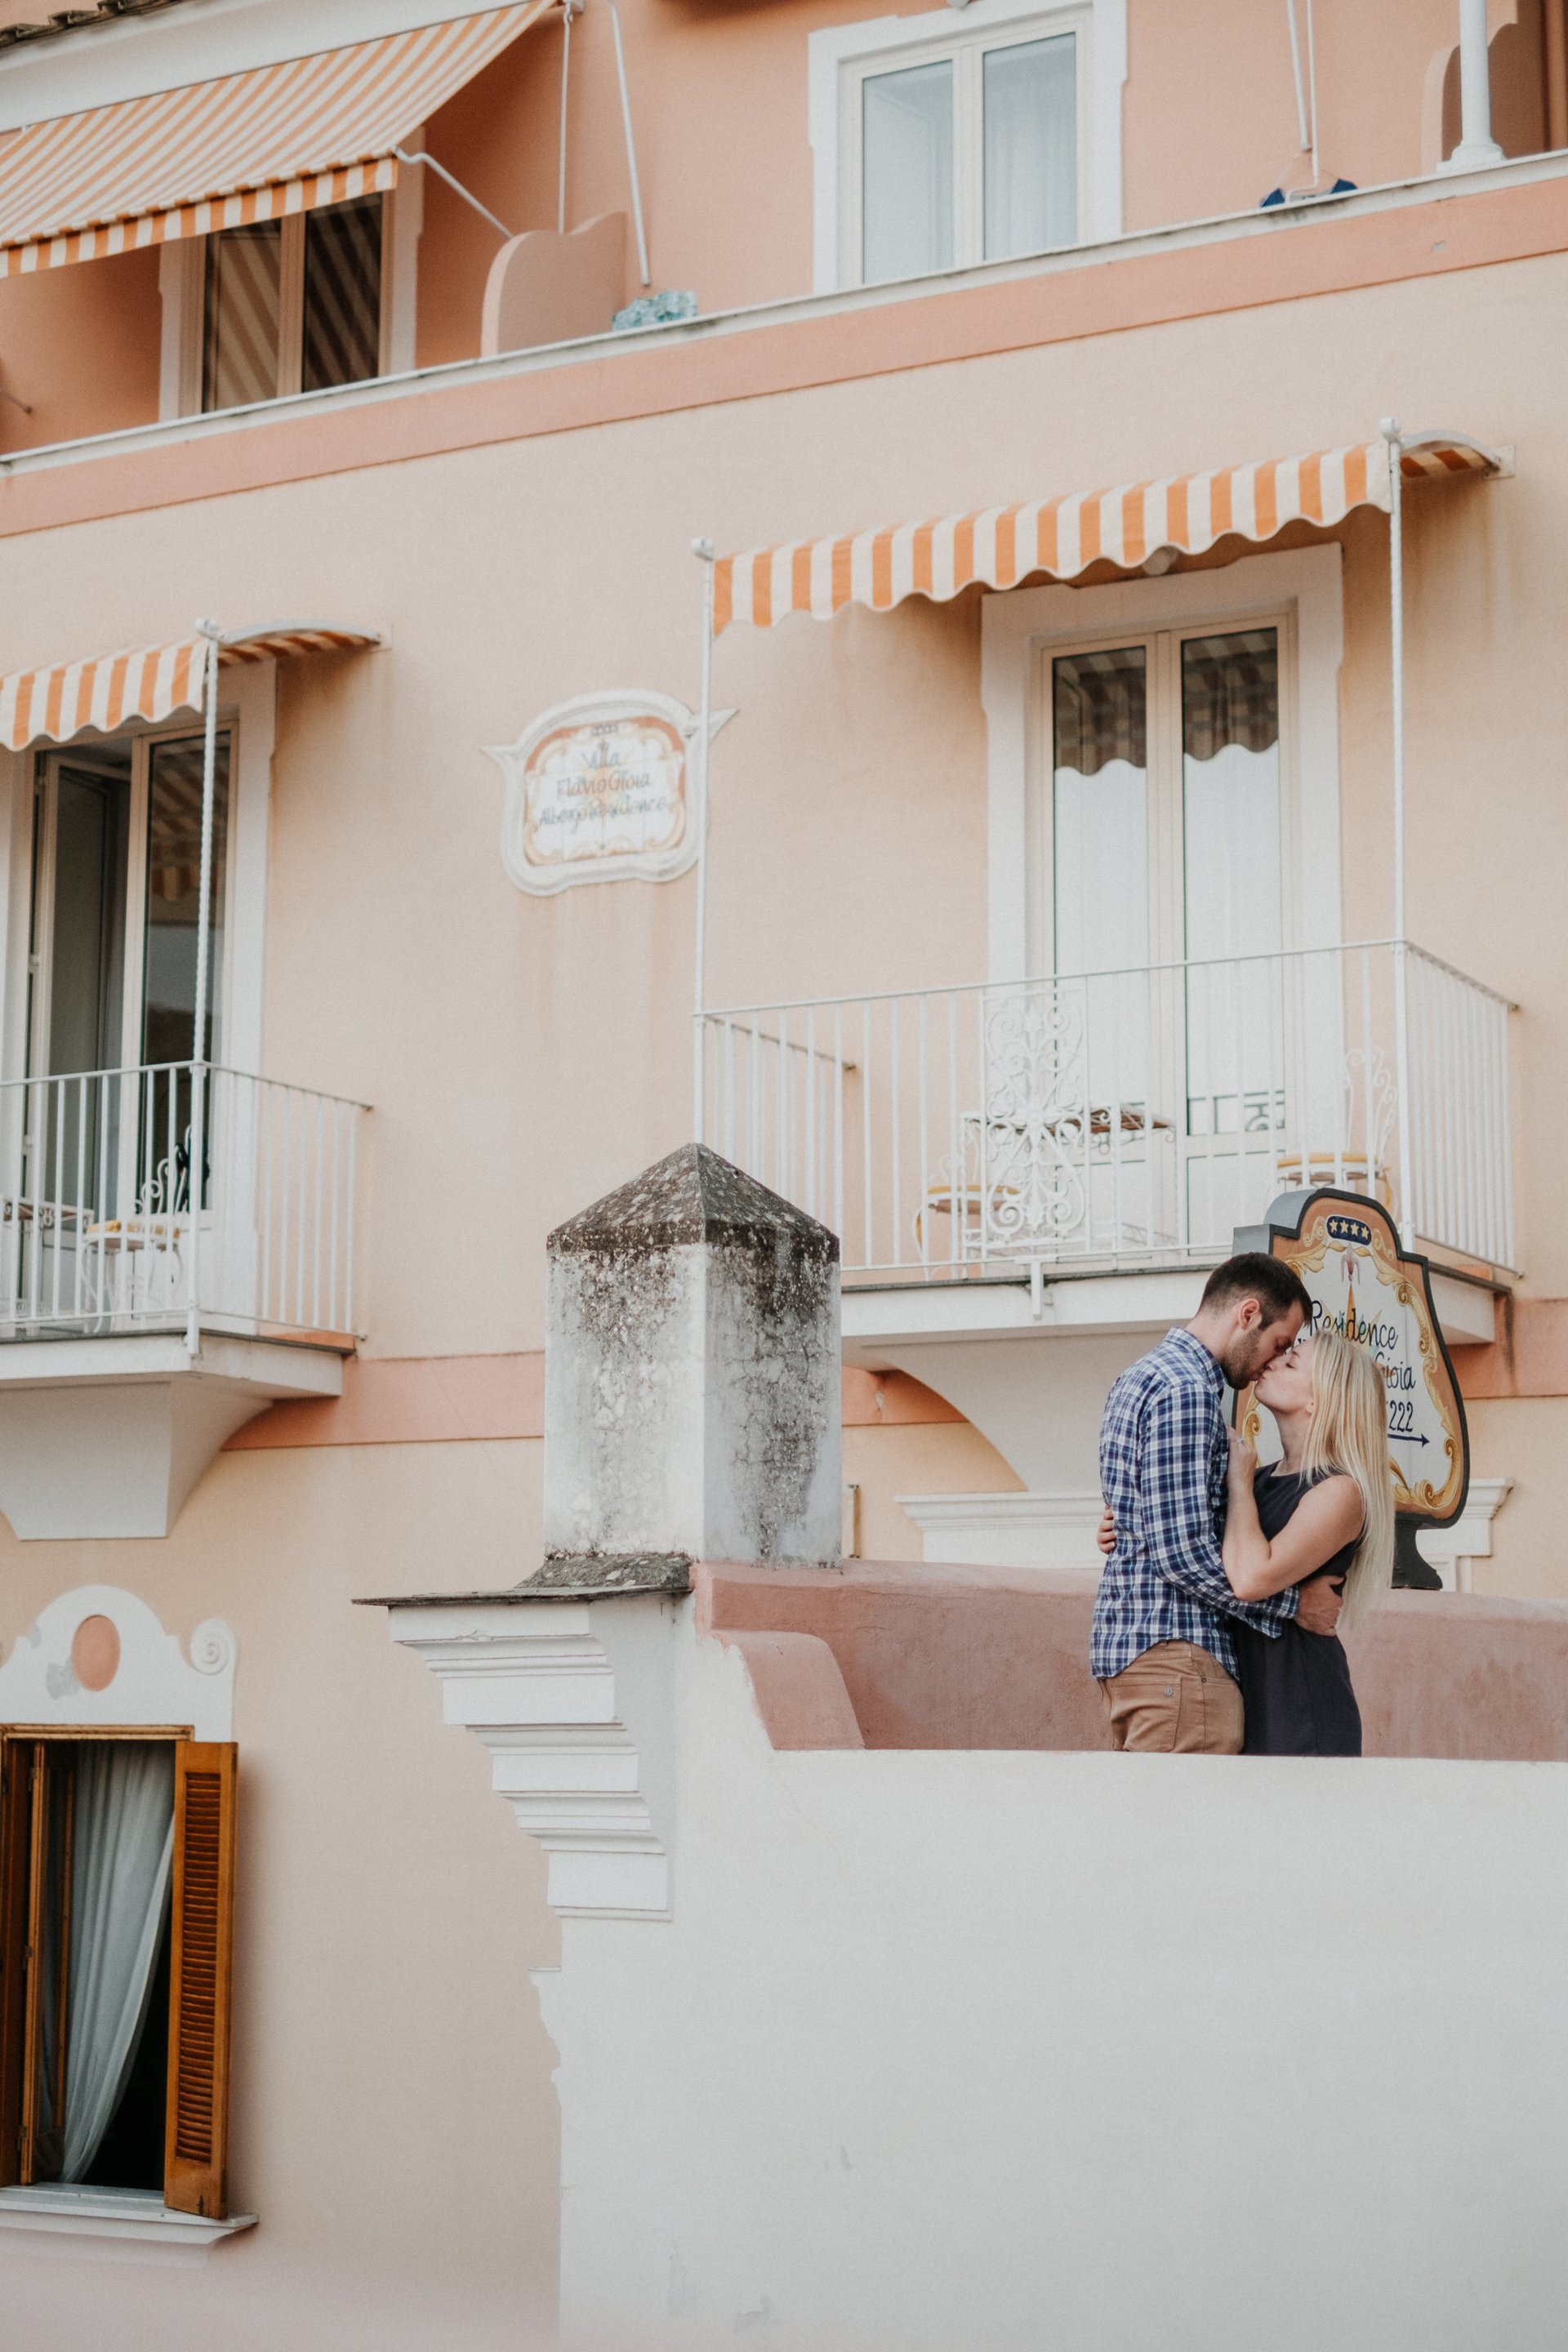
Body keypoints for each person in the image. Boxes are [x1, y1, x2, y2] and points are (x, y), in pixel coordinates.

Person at [1093, 1253, 1343, 1754]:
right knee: (1189, 1831)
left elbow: (1154, 1523)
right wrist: (1296, 1606)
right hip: (1178, 1658)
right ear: (1247, 1314)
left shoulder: (1140, 1376)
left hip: (1134, 1654)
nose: (1270, 1362)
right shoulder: (1188, 1390)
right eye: (1279, 1344)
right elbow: (1181, 1554)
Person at [1218, 1325, 1395, 1754]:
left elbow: (1250, 1579)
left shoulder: (1341, 1491)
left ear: (1320, 1400)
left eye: (1292, 1360)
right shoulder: (1257, 1479)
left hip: (1299, 1705)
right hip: (1243, 1699)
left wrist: (1239, 1485)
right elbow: (1200, 1561)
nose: (1272, 1360)